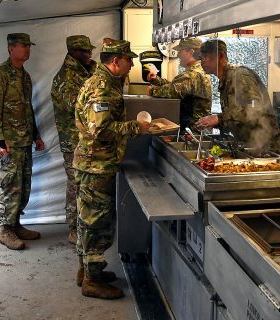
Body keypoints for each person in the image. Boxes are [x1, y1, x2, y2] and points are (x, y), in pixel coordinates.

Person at [73, 38, 150, 299]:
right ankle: (92, 281)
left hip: (93, 162)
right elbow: (101, 129)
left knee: (87, 220)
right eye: (129, 60)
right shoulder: (103, 87)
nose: (131, 65)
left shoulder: (102, 81)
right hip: (96, 165)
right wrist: (135, 128)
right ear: (116, 61)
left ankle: (86, 271)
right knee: (97, 223)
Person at [0, 33, 45, 250]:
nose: (28, 50)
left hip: (24, 141)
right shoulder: (0, 74)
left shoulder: (25, 76)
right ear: (11, 48)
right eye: (23, 46)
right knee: (10, 186)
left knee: (23, 186)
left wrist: (36, 135)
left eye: (29, 45)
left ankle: (16, 224)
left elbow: (28, 109)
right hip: (8, 143)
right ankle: (5, 230)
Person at [195, 39, 280, 155]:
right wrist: (219, 124)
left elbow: (254, 110)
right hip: (250, 146)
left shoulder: (240, 75)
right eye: (201, 58)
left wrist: (219, 118)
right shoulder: (225, 80)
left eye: (205, 57)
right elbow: (237, 118)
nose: (202, 62)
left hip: (267, 149)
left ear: (221, 56)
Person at [51, 35, 96, 245]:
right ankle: (73, 227)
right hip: (73, 141)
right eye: (85, 52)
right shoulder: (66, 78)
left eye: (90, 51)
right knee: (75, 184)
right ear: (74, 52)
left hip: (84, 140)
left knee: (85, 184)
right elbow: (77, 107)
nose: (89, 55)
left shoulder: (83, 72)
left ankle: (84, 225)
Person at [147, 38, 211, 129]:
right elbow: (177, 86)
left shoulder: (192, 75)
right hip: (195, 129)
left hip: (192, 130)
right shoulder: (197, 71)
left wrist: (152, 90)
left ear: (191, 52)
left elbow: (172, 91)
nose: (178, 54)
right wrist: (157, 80)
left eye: (180, 50)